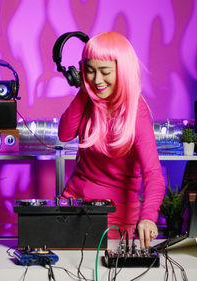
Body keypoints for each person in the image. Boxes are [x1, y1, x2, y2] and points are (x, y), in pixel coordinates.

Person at [58, 31, 165, 249]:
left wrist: (148, 217)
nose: (97, 80)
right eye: (89, 71)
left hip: (116, 214)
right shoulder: (89, 97)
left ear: (122, 71)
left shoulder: (137, 111)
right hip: (74, 203)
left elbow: (153, 174)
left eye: (105, 72)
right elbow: (64, 134)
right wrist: (84, 89)